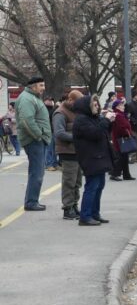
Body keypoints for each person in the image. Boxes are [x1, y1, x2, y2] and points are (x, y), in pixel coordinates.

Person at [72, 95, 115, 226]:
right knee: (92, 186)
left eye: (97, 104)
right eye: (94, 105)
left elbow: (103, 132)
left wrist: (109, 121)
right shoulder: (81, 120)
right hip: (90, 157)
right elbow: (95, 134)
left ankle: (95, 213)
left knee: (99, 186)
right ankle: (85, 216)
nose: (97, 107)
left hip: (98, 156)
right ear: (87, 106)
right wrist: (106, 121)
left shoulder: (92, 118)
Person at [15, 76, 52, 211]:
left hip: (37, 140)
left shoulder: (32, 97)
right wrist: (39, 136)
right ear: (33, 86)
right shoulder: (27, 99)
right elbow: (26, 120)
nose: (43, 88)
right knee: (37, 172)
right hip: (34, 140)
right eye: (41, 85)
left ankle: (32, 200)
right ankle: (31, 202)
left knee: (37, 172)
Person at [52, 90, 84, 220]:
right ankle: (67, 208)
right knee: (69, 182)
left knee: (77, 182)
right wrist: (78, 137)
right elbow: (59, 133)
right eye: (77, 103)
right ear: (70, 100)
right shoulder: (60, 113)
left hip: (77, 151)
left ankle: (74, 205)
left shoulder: (76, 111)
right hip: (67, 151)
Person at [109, 99, 135, 181]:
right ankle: (114, 174)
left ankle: (126, 175)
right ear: (117, 106)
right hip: (120, 139)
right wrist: (127, 133)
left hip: (122, 138)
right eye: (122, 105)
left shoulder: (121, 114)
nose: (123, 106)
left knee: (124, 157)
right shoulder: (118, 115)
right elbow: (121, 128)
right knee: (121, 157)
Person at [43, 95, 60, 171]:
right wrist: (57, 107)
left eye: (52, 100)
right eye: (49, 100)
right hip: (47, 131)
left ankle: (54, 163)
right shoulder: (43, 109)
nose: (51, 101)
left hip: (53, 131)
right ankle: (48, 164)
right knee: (49, 149)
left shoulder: (52, 109)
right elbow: (48, 116)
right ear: (45, 101)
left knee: (54, 149)